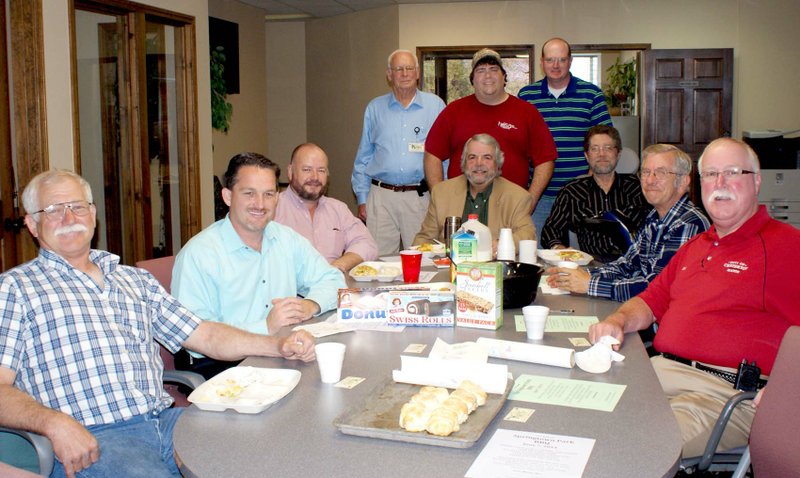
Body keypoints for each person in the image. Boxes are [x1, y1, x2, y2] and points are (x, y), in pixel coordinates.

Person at [0, 170, 316, 478]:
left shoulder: (133, 280)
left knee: (269, 453)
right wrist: (54, 424)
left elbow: (204, 334)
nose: (69, 219)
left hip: (168, 422)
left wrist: (277, 344)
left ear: (93, 213)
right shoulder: (15, 289)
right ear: (32, 224)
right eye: (54, 211)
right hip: (96, 439)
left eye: (78, 207)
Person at [588, 137, 800, 458]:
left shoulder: (786, 247)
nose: (720, 183)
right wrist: (618, 321)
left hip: (721, 394)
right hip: (658, 374)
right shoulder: (696, 245)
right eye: (711, 174)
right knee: (578, 412)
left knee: (629, 448)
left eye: (732, 172)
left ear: (756, 181)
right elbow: (649, 301)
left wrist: (787, 389)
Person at [172, 152, 344, 378]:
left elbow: (333, 279)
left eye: (268, 194)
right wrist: (265, 327)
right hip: (222, 366)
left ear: (277, 198)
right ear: (227, 196)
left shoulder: (286, 239)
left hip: (281, 352)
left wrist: (310, 305)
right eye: (249, 194)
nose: (260, 204)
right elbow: (195, 336)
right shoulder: (199, 254)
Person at [547, 144, 709, 302]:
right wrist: (580, 274)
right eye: (646, 172)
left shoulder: (688, 224)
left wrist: (589, 284)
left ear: (682, 182)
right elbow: (629, 264)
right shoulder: (654, 217)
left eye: (661, 172)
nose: (650, 180)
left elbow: (656, 288)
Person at [423, 48, 557, 214]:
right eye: (481, 70)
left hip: (510, 208)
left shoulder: (526, 112)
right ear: (472, 79)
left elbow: (545, 160)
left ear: (504, 77)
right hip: (462, 207)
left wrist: (530, 200)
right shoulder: (454, 111)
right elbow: (432, 155)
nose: (488, 75)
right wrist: (440, 198)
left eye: (494, 69)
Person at [352, 49, 446, 256]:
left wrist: (443, 198)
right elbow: (364, 156)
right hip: (380, 198)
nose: (404, 74)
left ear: (418, 72)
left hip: (420, 198)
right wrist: (362, 197)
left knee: (425, 258)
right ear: (389, 74)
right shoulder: (375, 108)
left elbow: (443, 158)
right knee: (378, 260)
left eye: (409, 68)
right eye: (398, 69)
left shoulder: (436, 106)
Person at [518, 38, 613, 234]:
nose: (555, 65)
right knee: (535, 252)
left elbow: (605, 139)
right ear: (542, 62)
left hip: (580, 194)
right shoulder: (527, 96)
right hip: (538, 195)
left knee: (578, 255)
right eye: (550, 60)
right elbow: (520, 142)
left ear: (570, 61)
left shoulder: (591, 94)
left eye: (561, 60)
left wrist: (590, 178)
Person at [539, 124, 650, 262]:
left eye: (608, 148)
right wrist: (559, 249)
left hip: (636, 263)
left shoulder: (639, 187)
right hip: (592, 266)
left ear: (618, 153)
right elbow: (550, 231)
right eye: (595, 149)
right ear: (587, 155)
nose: (601, 154)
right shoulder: (572, 191)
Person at [414, 133, 535, 251]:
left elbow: (527, 235)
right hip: (449, 266)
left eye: (487, 157)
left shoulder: (517, 196)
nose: (479, 163)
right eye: (472, 157)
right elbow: (425, 238)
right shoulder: (441, 192)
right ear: (464, 163)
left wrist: (501, 244)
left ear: (497, 163)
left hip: (495, 267)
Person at [276, 143, 377, 273]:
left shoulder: (338, 209)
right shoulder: (272, 209)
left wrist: (338, 266)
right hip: (290, 291)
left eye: (321, 170)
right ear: (290, 172)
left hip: (333, 287)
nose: (315, 177)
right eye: (307, 169)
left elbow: (367, 244)